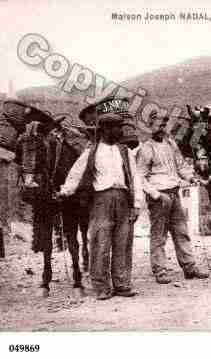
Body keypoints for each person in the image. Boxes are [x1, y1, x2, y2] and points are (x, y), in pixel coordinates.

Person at [58, 98, 143, 300]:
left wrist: (137, 204)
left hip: (123, 200)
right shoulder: (92, 152)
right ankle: (102, 287)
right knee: (100, 243)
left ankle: (122, 284)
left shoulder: (125, 152)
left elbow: (135, 178)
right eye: (117, 128)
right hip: (101, 201)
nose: (121, 131)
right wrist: (65, 191)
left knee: (123, 243)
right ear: (106, 130)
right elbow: (76, 174)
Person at [136, 111, 209, 284]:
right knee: (159, 235)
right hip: (159, 197)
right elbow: (139, 176)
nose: (162, 128)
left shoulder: (171, 144)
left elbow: (181, 166)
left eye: (164, 125)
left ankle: (189, 267)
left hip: (174, 193)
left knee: (181, 232)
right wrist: (156, 194)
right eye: (159, 125)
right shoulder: (146, 148)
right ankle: (160, 271)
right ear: (150, 127)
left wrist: (192, 177)